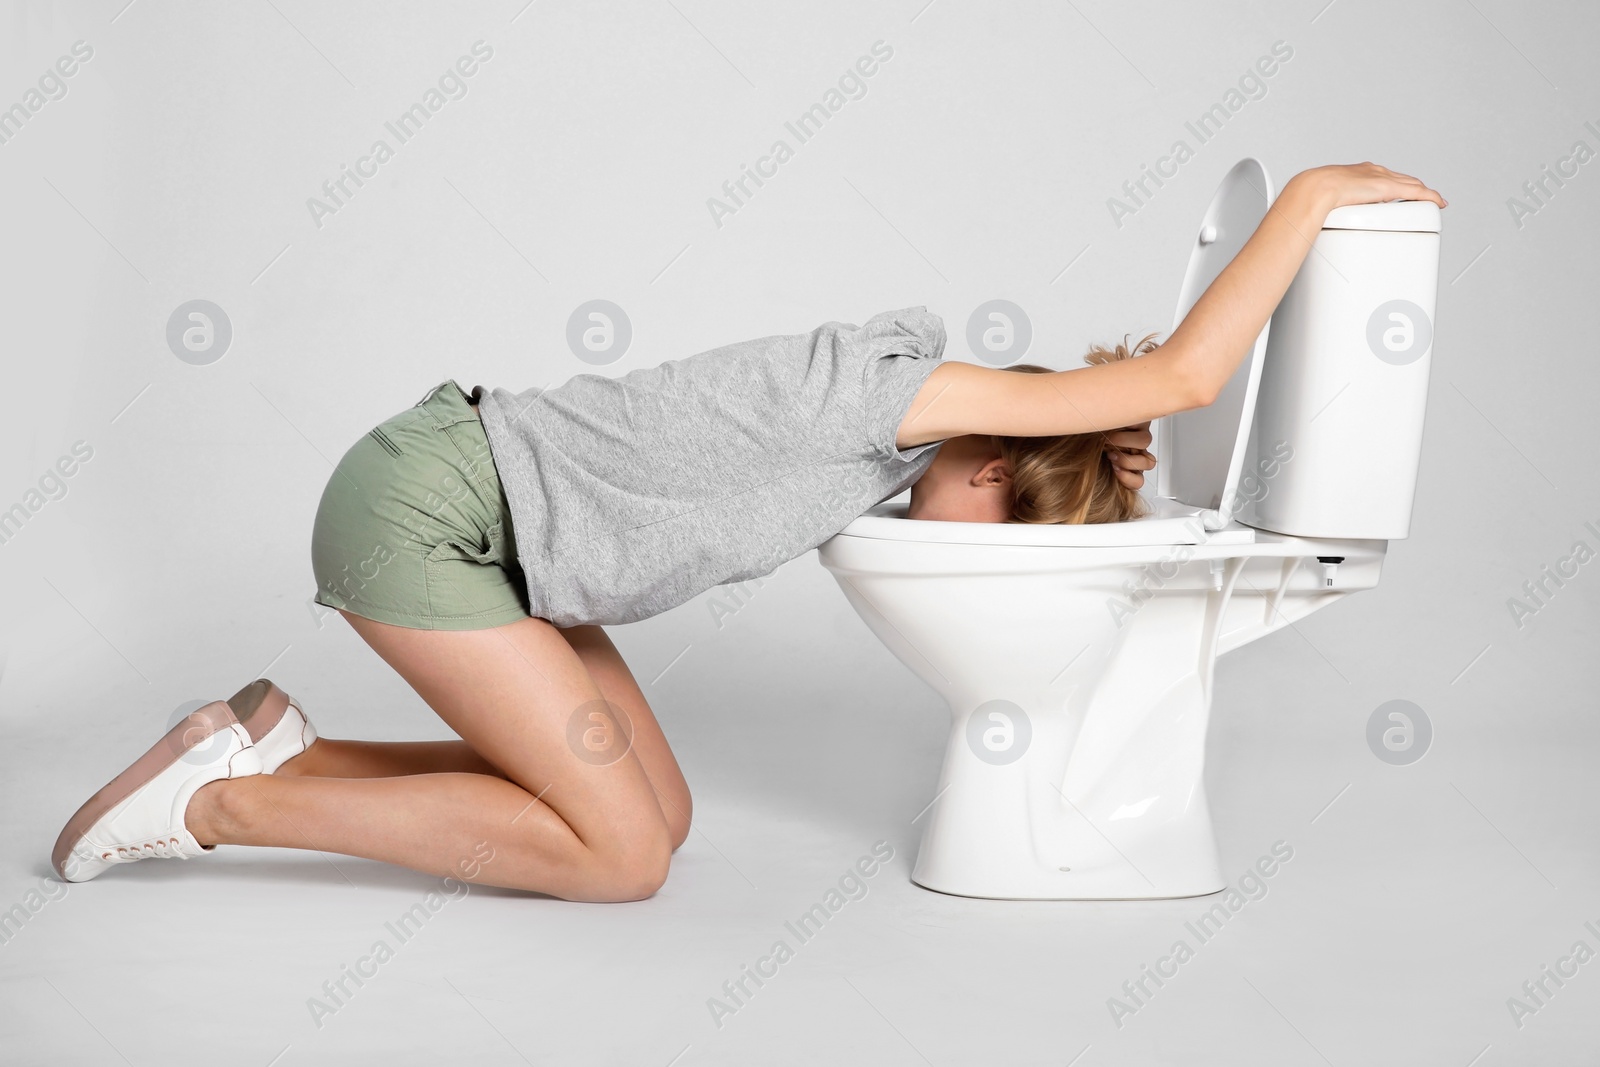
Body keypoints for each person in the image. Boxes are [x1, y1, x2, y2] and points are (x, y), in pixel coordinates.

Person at [50, 162, 1445, 902]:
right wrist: (1315, 200)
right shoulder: (904, 392)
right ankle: (219, 809)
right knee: (619, 858)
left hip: (508, 538)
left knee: (662, 811)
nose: (964, 521)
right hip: (426, 513)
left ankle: (291, 748)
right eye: (1006, 505)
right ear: (1006, 448)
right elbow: (1184, 382)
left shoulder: (882, 439)